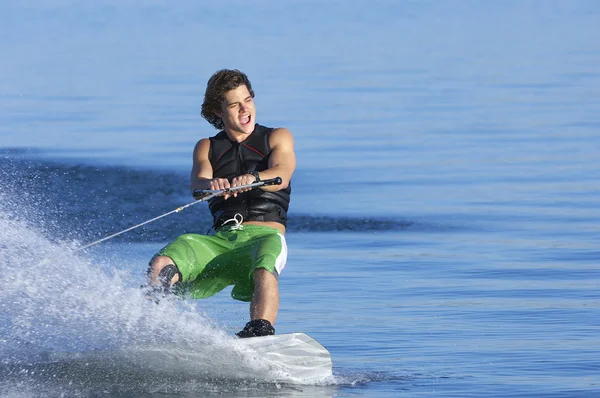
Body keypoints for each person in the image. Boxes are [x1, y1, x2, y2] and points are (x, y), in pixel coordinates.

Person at [147, 69, 296, 338]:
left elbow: (282, 175)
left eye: (248, 100)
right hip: (220, 241)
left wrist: (250, 179)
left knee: (265, 268)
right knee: (162, 262)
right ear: (218, 111)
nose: (245, 109)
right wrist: (211, 186)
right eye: (234, 104)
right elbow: (198, 184)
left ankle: (259, 333)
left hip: (264, 236)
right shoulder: (206, 146)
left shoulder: (277, 137)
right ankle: (153, 325)